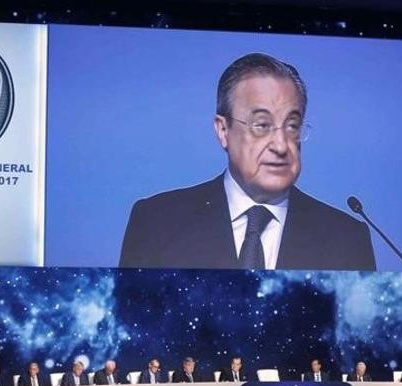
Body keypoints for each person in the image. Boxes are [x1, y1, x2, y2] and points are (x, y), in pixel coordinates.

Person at [119, 52, 376, 271]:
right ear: (223, 130)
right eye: (262, 125)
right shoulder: (156, 223)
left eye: (292, 126)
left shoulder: (347, 239)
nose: (280, 145)